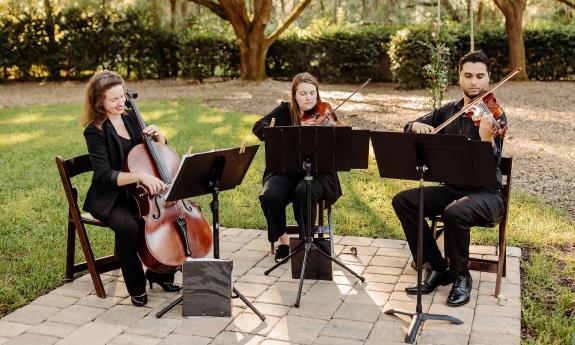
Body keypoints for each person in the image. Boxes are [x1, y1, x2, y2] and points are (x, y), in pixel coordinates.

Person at [392, 50, 508, 307]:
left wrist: (487, 139)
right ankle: (437, 265)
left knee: (456, 212)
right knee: (403, 201)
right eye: (468, 75)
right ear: (460, 77)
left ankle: (461, 277)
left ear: (489, 78)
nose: (474, 82)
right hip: (453, 189)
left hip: (486, 195)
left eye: (480, 76)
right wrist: (415, 126)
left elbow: (490, 168)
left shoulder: (494, 116)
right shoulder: (448, 111)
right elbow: (410, 125)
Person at [81, 70, 181, 307]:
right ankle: (136, 285)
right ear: (99, 102)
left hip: (141, 194)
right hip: (111, 197)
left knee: (169, 221)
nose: (120, 103)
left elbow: (153, 153)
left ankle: (160, 273)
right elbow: (104, 175)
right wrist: (141, 176)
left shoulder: (131, 118)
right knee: (129, 228)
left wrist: (160, 136)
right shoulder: (94, 130)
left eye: (122, 97)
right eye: (113, 99)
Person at [252, 72, 342, 262]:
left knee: (304, 191)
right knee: (269, 196)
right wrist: (278, 134)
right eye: (303, 93)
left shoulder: (323, 111)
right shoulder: (285, 111)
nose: (308, 98)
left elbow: (341, 140)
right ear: (294, 95)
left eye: (312, 93)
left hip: (318, 173)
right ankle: (284, 242)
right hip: (286, 171)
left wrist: (330, 131)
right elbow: (259, 126)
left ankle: (305, 242)